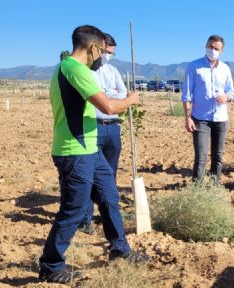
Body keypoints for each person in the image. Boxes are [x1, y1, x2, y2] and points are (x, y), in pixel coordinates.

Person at [40, 25, 147, 284]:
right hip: (75, 151)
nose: (101, 56)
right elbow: (108, 106)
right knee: (73, 209)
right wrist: (132, 100)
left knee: (109, 197)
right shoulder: (76, 70)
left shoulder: (64, 66)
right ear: (93, 48)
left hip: (90, 148)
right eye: (101, 50)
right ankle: (51, 265)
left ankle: (120, 249)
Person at [78, 33, 127, 235]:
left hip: (113, 127)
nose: (109, 56)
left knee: (110, 173)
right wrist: (110, 97)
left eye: (112, 54)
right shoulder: (86, 72)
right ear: (98, 48)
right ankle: (85, 218)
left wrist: (109, 96)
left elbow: (122, 93)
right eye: (107, 52)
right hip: (93, 127)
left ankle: (105, 213)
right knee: (89, 174)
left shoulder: (113, 70)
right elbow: (103, 101)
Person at [182, 35, 234, 184]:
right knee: (201, 156)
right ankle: (197, 189)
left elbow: (231, 92)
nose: (212, 50)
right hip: (200, 119)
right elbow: (186, 95)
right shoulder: (194, 66)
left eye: (216, 48)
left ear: (221, 50)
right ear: (205, 46)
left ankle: (214, 186)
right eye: (210, 47)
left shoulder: (225, 68)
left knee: (218, 156)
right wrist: (187, 118)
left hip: (220, 119)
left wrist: (226, 97)